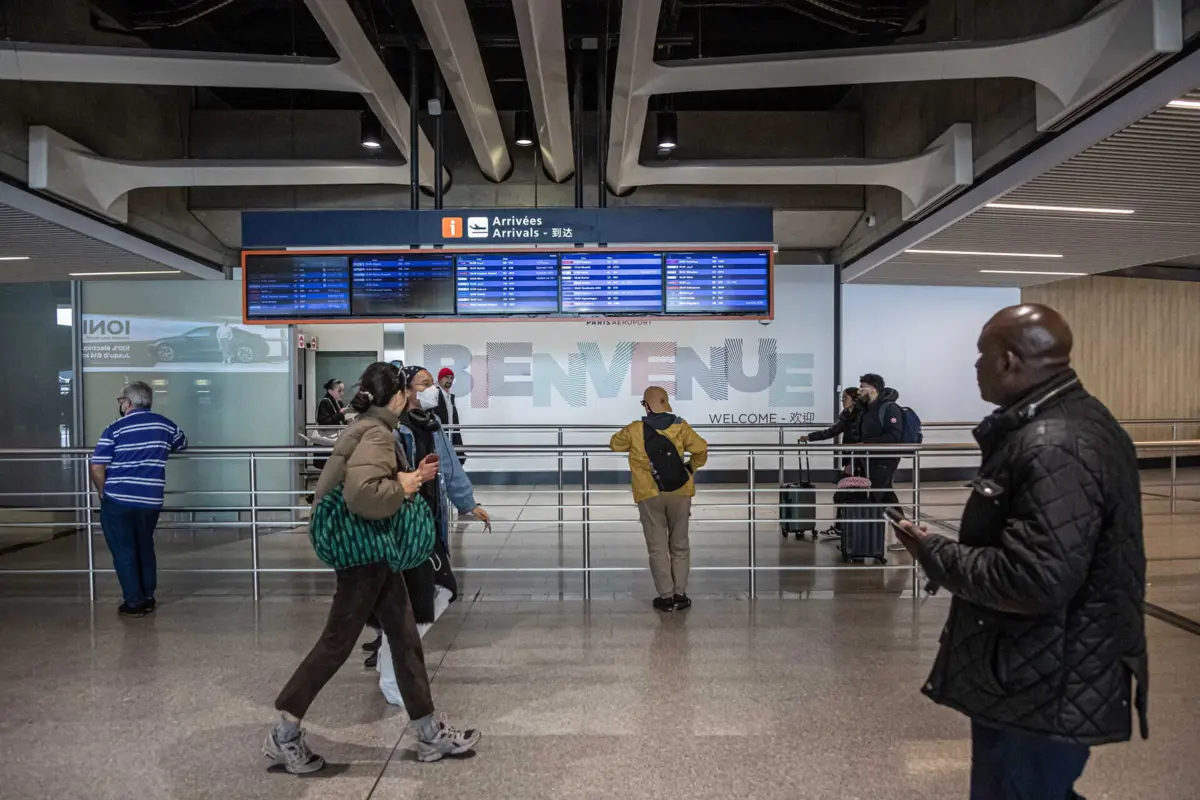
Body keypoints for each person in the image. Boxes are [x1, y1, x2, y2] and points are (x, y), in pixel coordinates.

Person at [894, 304, 1147, 800]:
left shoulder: (1055, 443)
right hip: (1039, 671)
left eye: (981, 355)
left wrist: (934, 552)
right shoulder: (1068, 424)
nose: (975, 366)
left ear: (1008, 360)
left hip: (1041, 681)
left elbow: (1034, 579)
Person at [264, 362, 480, 774]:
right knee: (336, 644)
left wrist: (408, 476)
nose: (416, 396)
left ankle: (429, 733)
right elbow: (362, 494)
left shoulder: (366, 427)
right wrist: (407, 484)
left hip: (376, 552)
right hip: (365, 555)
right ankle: (284, 735)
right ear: (397, 396)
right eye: (411, 390)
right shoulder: (378, 433)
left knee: (405, 638)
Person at [89, 382, 187, 617]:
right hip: (150, 499)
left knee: (124, 551)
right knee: (144, 546)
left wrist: (102, 491)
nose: (120, 405)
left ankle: (133, 602)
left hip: (118, 498)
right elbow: (181, 443)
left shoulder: (115, 428)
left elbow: (97, 465)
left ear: (128, 402)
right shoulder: (165, 424)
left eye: (120, 401)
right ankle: (148, 597)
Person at [610, 386, 708, 612]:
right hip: (680, 492)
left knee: (657, 548)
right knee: (680, 544)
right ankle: (680, 595)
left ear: (646, 405)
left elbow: (614, 444)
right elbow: (701, 449)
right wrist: (690, 468)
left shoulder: (635, 429)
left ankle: (666, 597)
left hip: (649, 494)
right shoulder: (681, 426)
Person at [802, 387, 863, 475]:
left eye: (845, 397)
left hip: (861, 455)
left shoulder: (863, 415)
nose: (842, 400)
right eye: (842, 398)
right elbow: (832, 431)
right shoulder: (845, 415)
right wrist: (810, 437)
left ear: (854, 400)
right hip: (850, 454)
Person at [433, 367, 467, 465]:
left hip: (450, 437)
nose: (449, 380)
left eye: (451, 378)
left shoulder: (450, 397)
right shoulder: (434, 395)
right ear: (440, 379)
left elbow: (454, 422)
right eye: (446, 377)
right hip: (439, 437)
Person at [313, 379, 347, 471]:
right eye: (339, 391)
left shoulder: (338, 403)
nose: (342, 393)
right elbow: (324, 422)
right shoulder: (326, 402)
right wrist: (341, 414)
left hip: (331, 442)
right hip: (327, 442)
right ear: (330, 391)